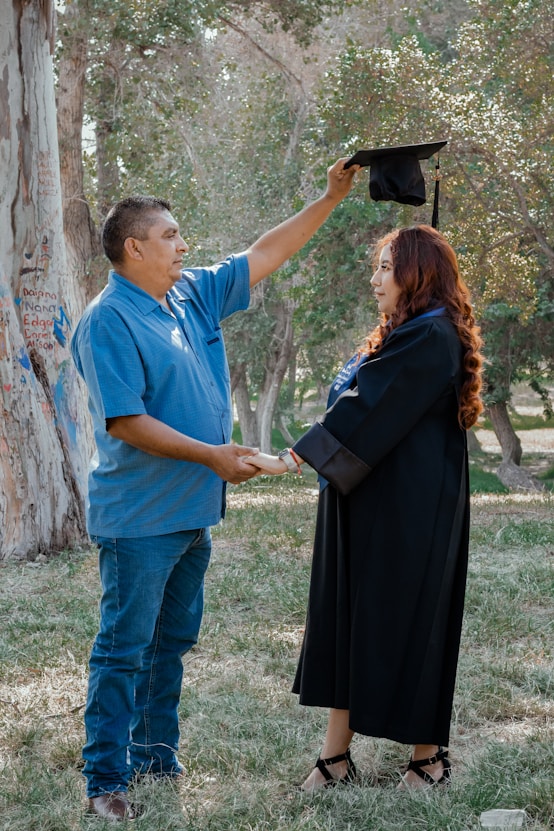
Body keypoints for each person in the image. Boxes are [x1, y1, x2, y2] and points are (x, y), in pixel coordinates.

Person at [70, 158, 360, 820]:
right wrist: (213, 454)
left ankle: (156, 753)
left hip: (192, 512)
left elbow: (265, 252)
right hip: (139, 519)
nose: (182, 245)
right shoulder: (109, 318)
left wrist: (330, 196)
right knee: (123, 648)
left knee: (169, 643)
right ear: (133, 247)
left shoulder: (189, 294)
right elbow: (128, 420)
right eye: (170, 235)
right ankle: (105, 780)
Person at [247, 224, 483, 791]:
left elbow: (370, 406)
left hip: (412, 510)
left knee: (412, 620)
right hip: (367, 497)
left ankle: (429, 758)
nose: (375, 278)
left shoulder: (432, 335)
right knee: (348, 618)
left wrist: (294, 459)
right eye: (376, 266)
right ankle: (336, 759)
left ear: (418, 273)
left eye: (385, 266)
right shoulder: (404, 332)